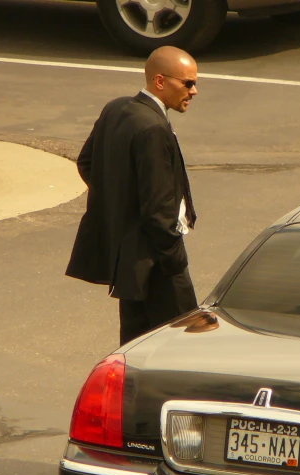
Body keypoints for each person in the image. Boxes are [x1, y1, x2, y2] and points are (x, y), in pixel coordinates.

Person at [66, 46, 199, 345]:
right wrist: (176, 263)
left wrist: (120, 202)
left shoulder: (116, 109)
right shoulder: (153, 127)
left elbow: (87, 163)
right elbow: (159, 212)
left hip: (129, 263)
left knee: (136, 344)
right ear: (160, 82)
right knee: (181, 347)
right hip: (158, 264)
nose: (194, 91)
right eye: (188, 83)